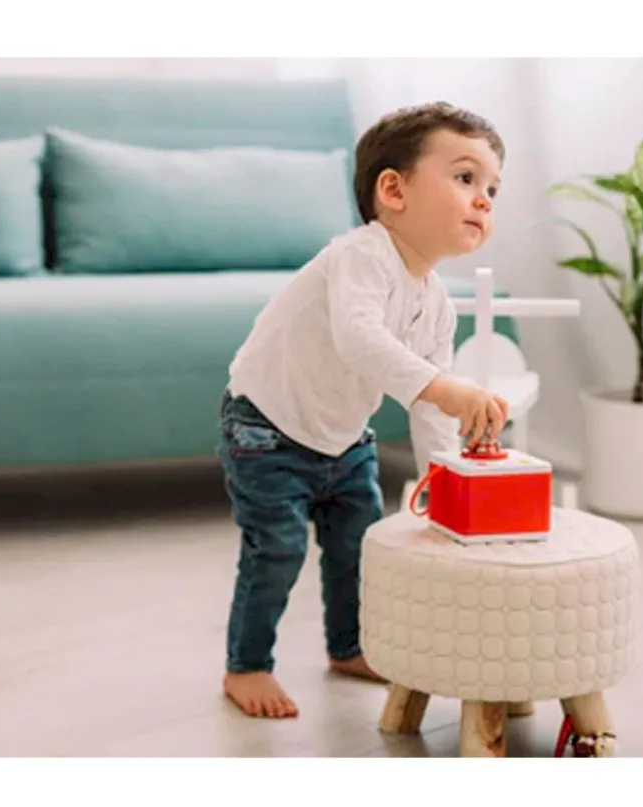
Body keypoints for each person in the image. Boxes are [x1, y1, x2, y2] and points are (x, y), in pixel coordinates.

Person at [217, 102, 510, 718]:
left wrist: (443, 481)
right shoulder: (361, 256)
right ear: (393, 191)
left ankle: (348, 647)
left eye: (492, 189)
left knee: (358, 546)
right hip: (266, 425)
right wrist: (444, 387)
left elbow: (430, 409)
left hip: (344, 438)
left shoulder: (436, 302)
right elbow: (361, 340)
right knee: (278, 548)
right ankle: (247, 665)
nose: (483, 200)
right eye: (465, 178)